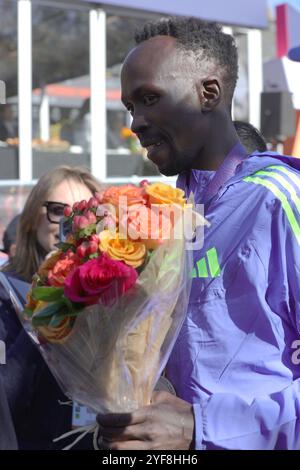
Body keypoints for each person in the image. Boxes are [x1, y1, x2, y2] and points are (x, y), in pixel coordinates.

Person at [97, 17, 300, 450]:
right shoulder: (164, 217)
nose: (136, 122)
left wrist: (202, 428)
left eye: (149, 99)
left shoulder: (278, 200)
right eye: (130, 107)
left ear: (208, 94)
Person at [0, 165, 102, 449]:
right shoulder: (5, 292)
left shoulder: (111, 296)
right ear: (34, 216)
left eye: (84, 214)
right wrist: (46, 305)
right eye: (59, 211)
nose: (71, 225)